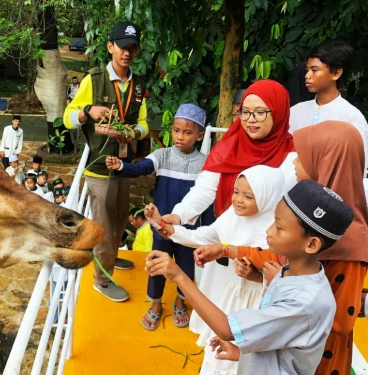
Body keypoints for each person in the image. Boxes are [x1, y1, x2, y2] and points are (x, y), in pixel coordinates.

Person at [195, 122, 368, 375]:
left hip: (315, 357)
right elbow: (277, 256)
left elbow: (340, 319)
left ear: (326, 162)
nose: (295, 163)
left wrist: (279, 286)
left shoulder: (349, 240)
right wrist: (227, 251)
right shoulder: (304, 215)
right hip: (280, 347)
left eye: (304, 157)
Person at [146, 179, 355, 375]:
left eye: (279, 228)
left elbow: (227, 329)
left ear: (311, 244)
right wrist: (243, 354)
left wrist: (178, 276)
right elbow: (279, 338)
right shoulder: (291, 272)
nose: (269, 231)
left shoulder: (305, 302)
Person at [149, 166, 285, 374]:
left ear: (268, 197)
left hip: (254, 304)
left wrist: (256, 276)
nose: (238, 200)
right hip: (226, 294)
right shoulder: (233, 215)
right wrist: (169, 229)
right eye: (236, 192)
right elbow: (208, 235)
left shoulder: (276, 230)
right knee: (217, 349)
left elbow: (281, 275)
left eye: (248, 196)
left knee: (242, 359)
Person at [63, 21, 149, 302]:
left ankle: (111, 260)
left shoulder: (139, 85)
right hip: (99, 168)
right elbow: (68, 118)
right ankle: (102, 279)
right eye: (123, 47)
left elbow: (144, 124)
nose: (127, 53)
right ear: (111, 47)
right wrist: (88, 110)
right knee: (102, 225)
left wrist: (134, 132)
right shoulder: (94, 79)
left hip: (123, 164)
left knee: (121, 218)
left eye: (132, 48)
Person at [107, 103, 213, 328]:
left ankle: (180, 301)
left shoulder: (206, 163)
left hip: (189, 231)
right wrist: (120, 166)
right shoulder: (162, 156)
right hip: (161, 226)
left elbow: (208, 200)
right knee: (156, 267)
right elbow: (142, 168)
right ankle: (155, 304)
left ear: (199, 135)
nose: (180, 137)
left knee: (186, 268)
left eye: (187, 132)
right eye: (176, 130)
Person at [160, 80, 296, 237]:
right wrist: (179, 215)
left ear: (279, 111)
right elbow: (204, 189)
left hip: (270, 247)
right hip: (225, 241)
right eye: (245, 112)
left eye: (260, 112)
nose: (251, 119)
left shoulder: (293, 156)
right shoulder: (227, 148)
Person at [289, 40, 368, 168]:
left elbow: (358, 166)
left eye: (314, 70)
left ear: (336, 73)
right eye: (307, 70)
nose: (307, 76)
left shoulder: (351, 117)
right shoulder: (295, 112)